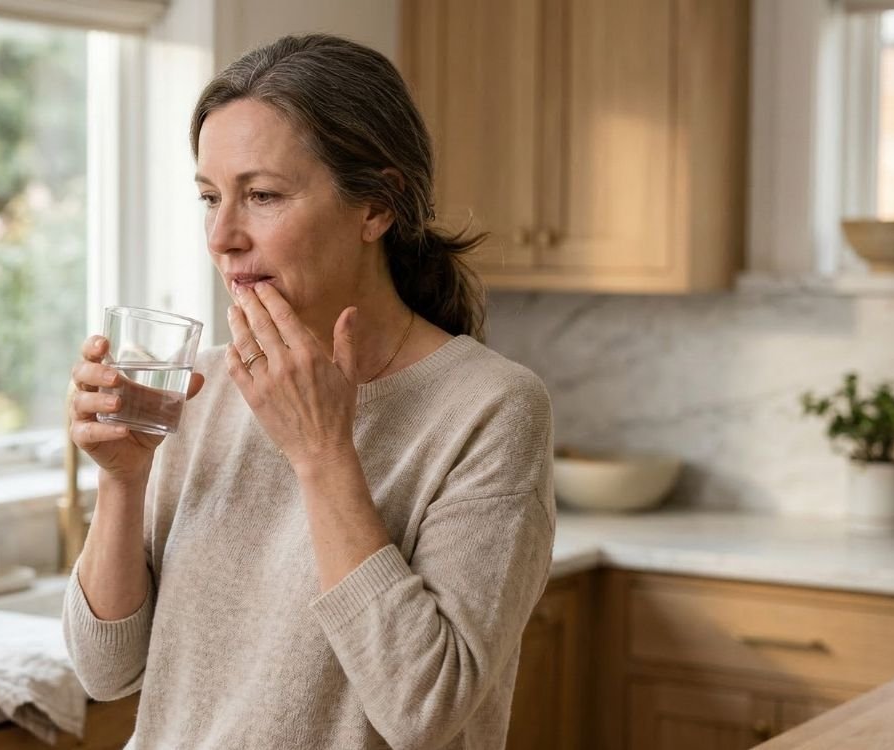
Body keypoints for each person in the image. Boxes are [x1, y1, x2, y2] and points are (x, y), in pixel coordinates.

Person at [63, 33, 555, 749]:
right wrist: (122, 480)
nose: (222, 236)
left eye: (262, 195)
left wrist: (323, 452)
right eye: (209, 197)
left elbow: (424, 710)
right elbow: (106, 670)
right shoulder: (202, 385)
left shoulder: (492, 409)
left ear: (376, 206)